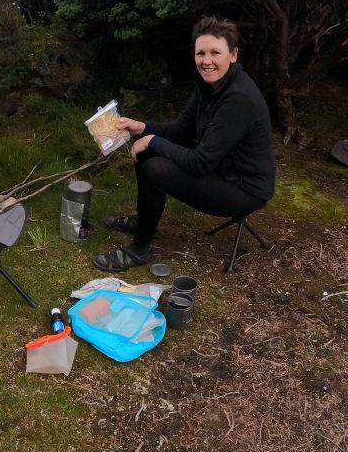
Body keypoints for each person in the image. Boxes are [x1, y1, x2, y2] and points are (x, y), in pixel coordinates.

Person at [92, 15, 277, 272]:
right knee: (147, 154)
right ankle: (144, 220)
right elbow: (183, 129)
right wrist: (143, 128)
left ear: (233, 55)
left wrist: (153, 141)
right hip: (222, 169)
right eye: (200, 53)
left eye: (215, 52)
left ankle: (139, 249)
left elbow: (200, 162)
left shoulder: (238, 99)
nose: (206, 60)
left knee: (156, 167)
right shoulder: (208, 85)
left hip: (245, 189)